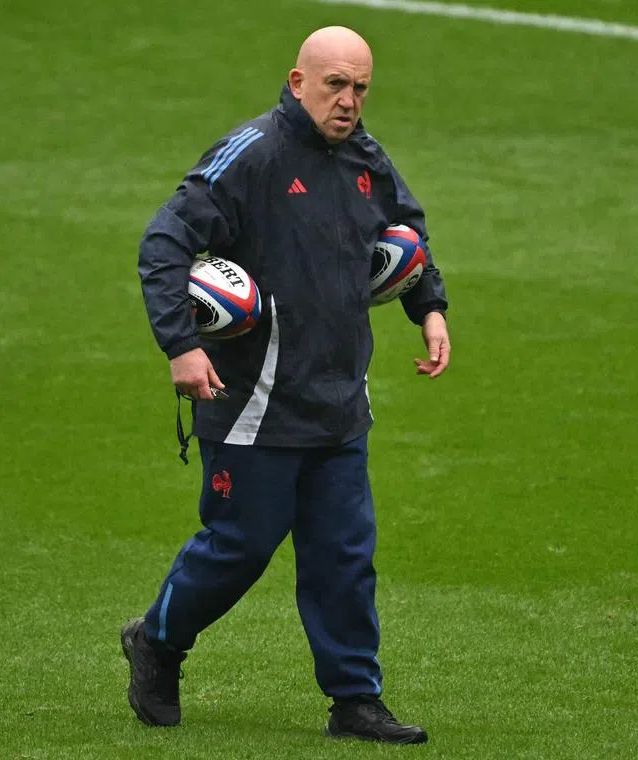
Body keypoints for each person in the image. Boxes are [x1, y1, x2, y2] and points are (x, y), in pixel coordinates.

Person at [122, 25, 449, 745]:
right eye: (335, 84)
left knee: (345, 558)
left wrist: (428, 307)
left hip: (337, 404)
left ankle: (355, 699)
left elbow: (406, 233)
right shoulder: (253, 156)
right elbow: (164, 241)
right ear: (298, 82)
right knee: (238, 547)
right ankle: (158, 641)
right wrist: (180, 345)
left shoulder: (367, 159)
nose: (349, 101)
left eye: (361, 87)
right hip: (253, 407)